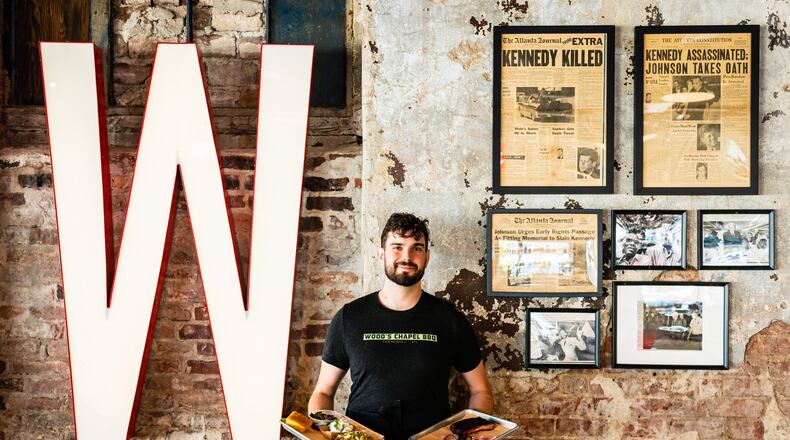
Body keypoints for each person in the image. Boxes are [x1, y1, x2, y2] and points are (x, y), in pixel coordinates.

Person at [308, 213, 494, 439]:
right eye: (397, 247)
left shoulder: (449, 319)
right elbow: (323, 392)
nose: (407, 256)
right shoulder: (349, 318)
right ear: (381, 254)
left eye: (417, 248)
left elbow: (481, 391)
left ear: (426, 257)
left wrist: (468, 432)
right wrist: (326, 433)